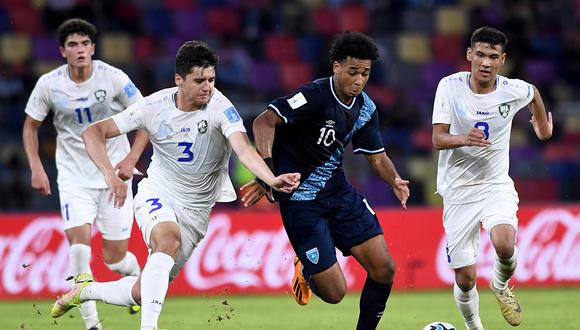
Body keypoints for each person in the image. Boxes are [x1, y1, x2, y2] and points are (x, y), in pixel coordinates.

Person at [50, 40, 301, 330]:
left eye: (212, 79)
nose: (208, 87)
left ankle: (85, 291)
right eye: (199, 81)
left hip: (196, 211)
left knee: (142, 293)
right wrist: (109, 173)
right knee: (168, 239)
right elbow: (94, 132)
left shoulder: (221, 108)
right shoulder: (153, 106)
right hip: (158, 191)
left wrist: (270, 178)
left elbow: (244, 150)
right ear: (178, 80)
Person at [241, 31, 410, 330]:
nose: (359, 80)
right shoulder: (314, 95)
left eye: (366, 73)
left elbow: (377, 158)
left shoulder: (366, 109)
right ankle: (306, 270)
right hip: (302, 204)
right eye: (353, 72)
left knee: (385, 269)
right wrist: (267, 174)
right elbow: (264, 122)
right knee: (335, 294)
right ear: (336, 67)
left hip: (339, 195)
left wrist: (395, 180)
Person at [22, 18, 147, 330]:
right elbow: (30, 126)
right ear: (63, 51)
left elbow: (147, 116)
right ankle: (93, 326)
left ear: (93, 47)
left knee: (115, 259)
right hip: (74, 178)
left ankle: (135, 280)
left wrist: (132, 157)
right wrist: (36, 166)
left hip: (116, 178)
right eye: (73, 45)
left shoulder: (114, 78)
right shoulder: (49, 84)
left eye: (85, 44)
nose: (80, 50)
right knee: (78, 248)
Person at [431, 27, 553, 329]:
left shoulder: (512, 89)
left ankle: (500, 285)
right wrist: (464, 139)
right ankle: (475, 327)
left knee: (504, 243)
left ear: (503, 60)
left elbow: (533, 92)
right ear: (470, 55)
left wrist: (543, 127)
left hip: (495, 184)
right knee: (465, 277)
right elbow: (437, 138)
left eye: (493, 57)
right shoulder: (449, 86)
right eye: (481, 55)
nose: (486, 62)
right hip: (457, 190)